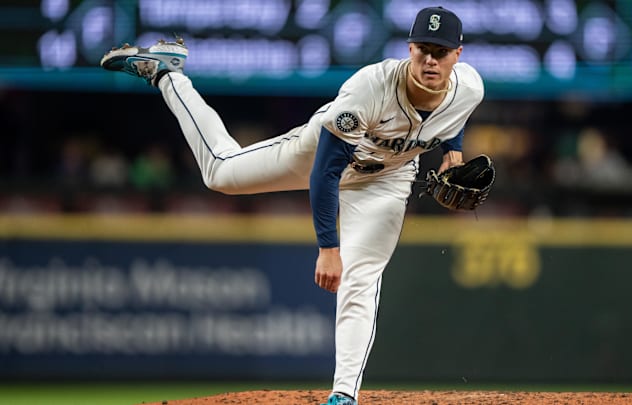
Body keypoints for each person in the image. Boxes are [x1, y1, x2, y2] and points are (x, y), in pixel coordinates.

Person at [101, 6, 484, 405]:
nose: (429, 59)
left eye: (440, 51)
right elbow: (326, 171)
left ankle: (343, 394)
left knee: (362, 278)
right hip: (319, 153)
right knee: (219, 174)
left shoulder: (470, 88)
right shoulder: (369, 88)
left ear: (457, 55)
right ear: (409, 48)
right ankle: (168, 74)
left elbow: (450, 118)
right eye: (422, 48)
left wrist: (452, 155)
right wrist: (328, 247)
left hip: (386, 179)